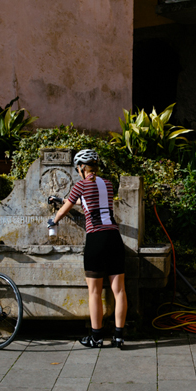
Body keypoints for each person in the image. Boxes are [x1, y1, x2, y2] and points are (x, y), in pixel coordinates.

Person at [48, 149, 127, 349]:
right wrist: (62, 202)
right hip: (114, 238)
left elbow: (68, 206)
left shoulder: (81, 185)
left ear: (82, 167)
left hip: (96, 240)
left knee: (94, 292)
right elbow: (90, 204)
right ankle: (119, 336)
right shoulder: (107, 184)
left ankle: (96, 337)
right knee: (119, 291)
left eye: (78, 168)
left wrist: (54, 219)